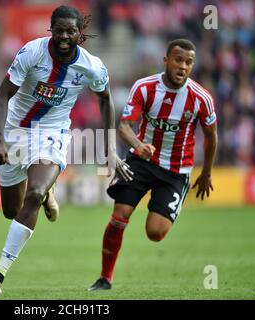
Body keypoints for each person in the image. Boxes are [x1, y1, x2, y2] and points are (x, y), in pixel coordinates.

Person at [0, 5, 131, 298]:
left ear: (80, 33)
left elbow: (105, 101)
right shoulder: (31, 53)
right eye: (59, 30)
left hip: (52, 133)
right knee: (12, 210)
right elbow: (2, 95)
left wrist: (109, 149)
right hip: (14, 132)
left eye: (70, 31)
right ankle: (47, 191)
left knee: (33, 195)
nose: (64, 36)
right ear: (51, 29)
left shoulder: (91, 66)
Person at [88, 39, 218, 290]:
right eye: (178, 60)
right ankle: (105, 278)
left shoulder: (201, 98)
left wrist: (207, 172)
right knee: (119, 218)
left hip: (176, 170)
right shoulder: (145, 87)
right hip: (142, 161)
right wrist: (138, 145)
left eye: (189, 62)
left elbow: (212, 135)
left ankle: (159, 202)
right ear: (166, 61)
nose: (183, 66)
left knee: (155, 233)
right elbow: (124, 126)